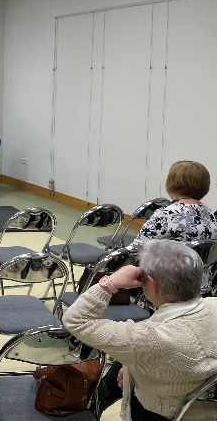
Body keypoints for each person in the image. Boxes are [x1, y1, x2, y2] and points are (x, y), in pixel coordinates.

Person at [63, 239, 217, 421]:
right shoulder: (213, 303)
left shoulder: (148, 338)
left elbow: (76, 320)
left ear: (151, 283)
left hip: (160, 413)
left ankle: (94, 405)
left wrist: (111, 282)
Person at [130, 161, 216, 292]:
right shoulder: (212, 216)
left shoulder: (165, 215)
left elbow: (136, 251)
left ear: (170, 185)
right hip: (201, 289)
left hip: (167, 290)